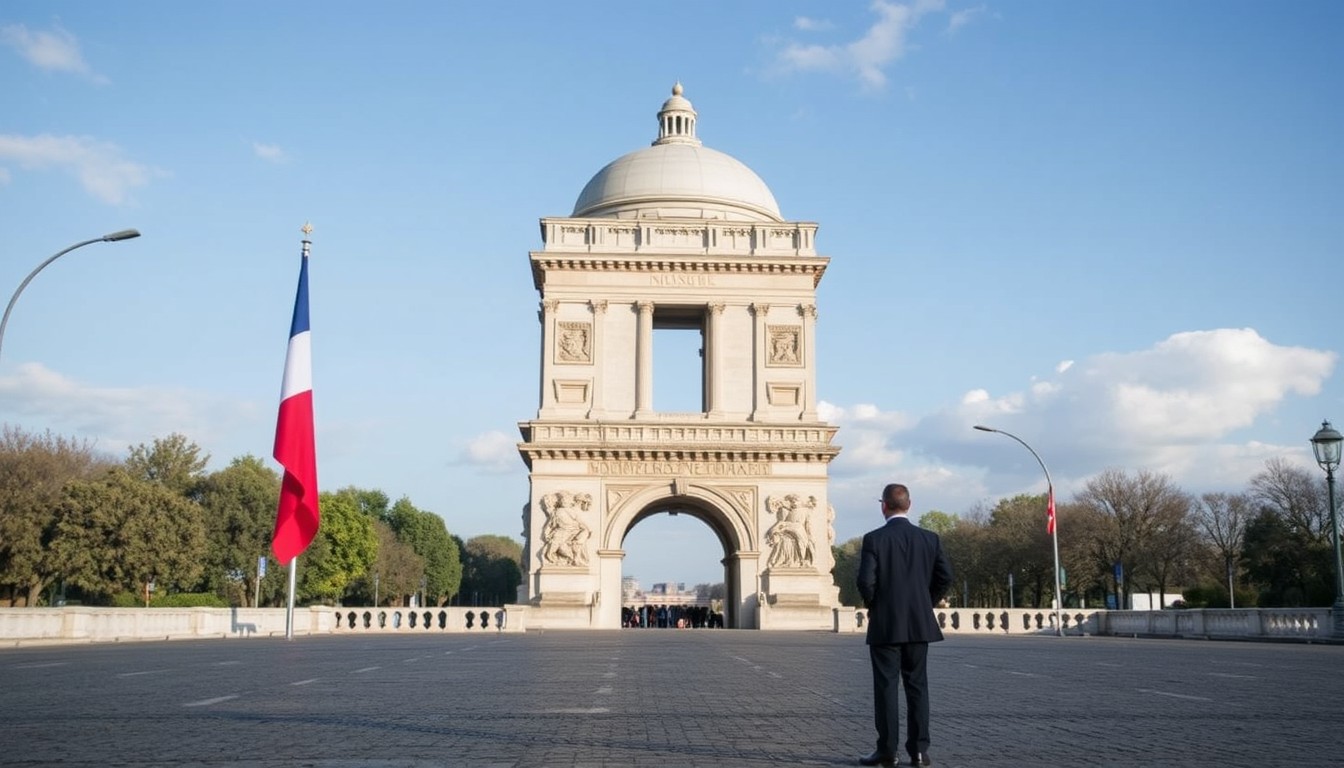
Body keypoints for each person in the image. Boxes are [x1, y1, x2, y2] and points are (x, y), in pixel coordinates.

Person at [856, 483, 954, 768]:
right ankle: (920, 752)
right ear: (909, 505)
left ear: (883, 505)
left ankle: (887, 751)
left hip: (885, 626)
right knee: (917, 687)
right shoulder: (930, 538)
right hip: (919, 624)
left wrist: (875, 605)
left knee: (886, 688)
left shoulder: (874, 539)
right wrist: (926, 602)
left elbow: (865, 581)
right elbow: (945, 576)